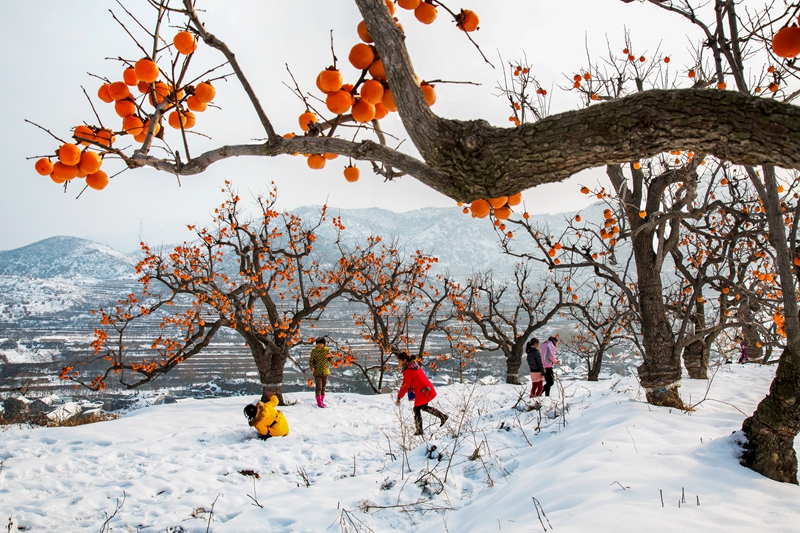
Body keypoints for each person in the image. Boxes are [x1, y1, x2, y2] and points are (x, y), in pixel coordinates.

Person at [395, 352, 448, 436]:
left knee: (416, 409)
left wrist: (399, 397)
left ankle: (419, 431)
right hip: (426, 388)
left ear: (404, 360)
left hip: (422, 391)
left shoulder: (408, 371)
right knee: (423, 407)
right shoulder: (414, 365)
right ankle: (442, 417)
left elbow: (405, 386)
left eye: (399, 361)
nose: (399, 363)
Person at [309, 337, 331, 408]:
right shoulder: (314, 351)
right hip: (317, 372)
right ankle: (319, 402)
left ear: (324, 344)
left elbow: (330, 359)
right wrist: (312, 367)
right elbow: (311, 361)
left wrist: (332, 358)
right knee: (319, 387)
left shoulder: (327, 350)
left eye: (321, 344)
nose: (319, 345)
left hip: (325, 371)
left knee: (323, 387)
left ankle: (322, 401)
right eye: (318, 344)